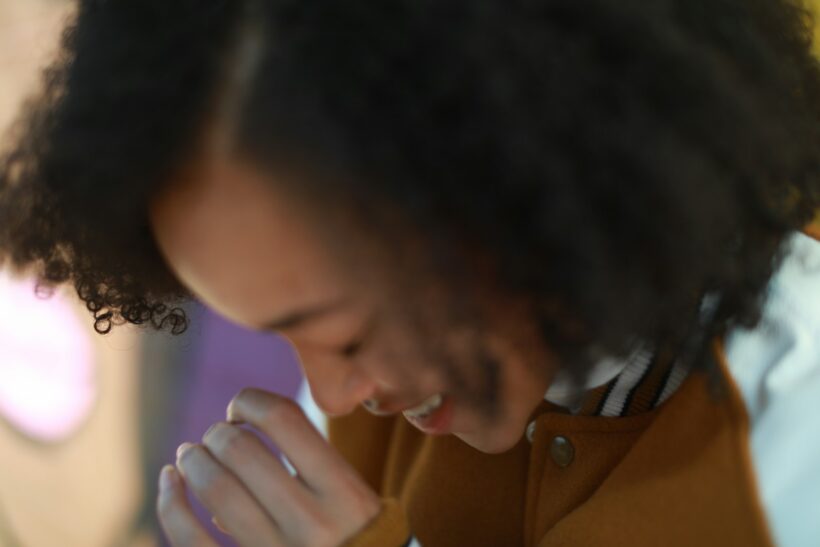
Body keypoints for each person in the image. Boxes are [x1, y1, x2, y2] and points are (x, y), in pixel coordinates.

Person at [1, 0, 820, 545]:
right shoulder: (405, 397)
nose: (332, 398)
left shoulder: (792, 438)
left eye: (352, 333)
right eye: (283, 336)